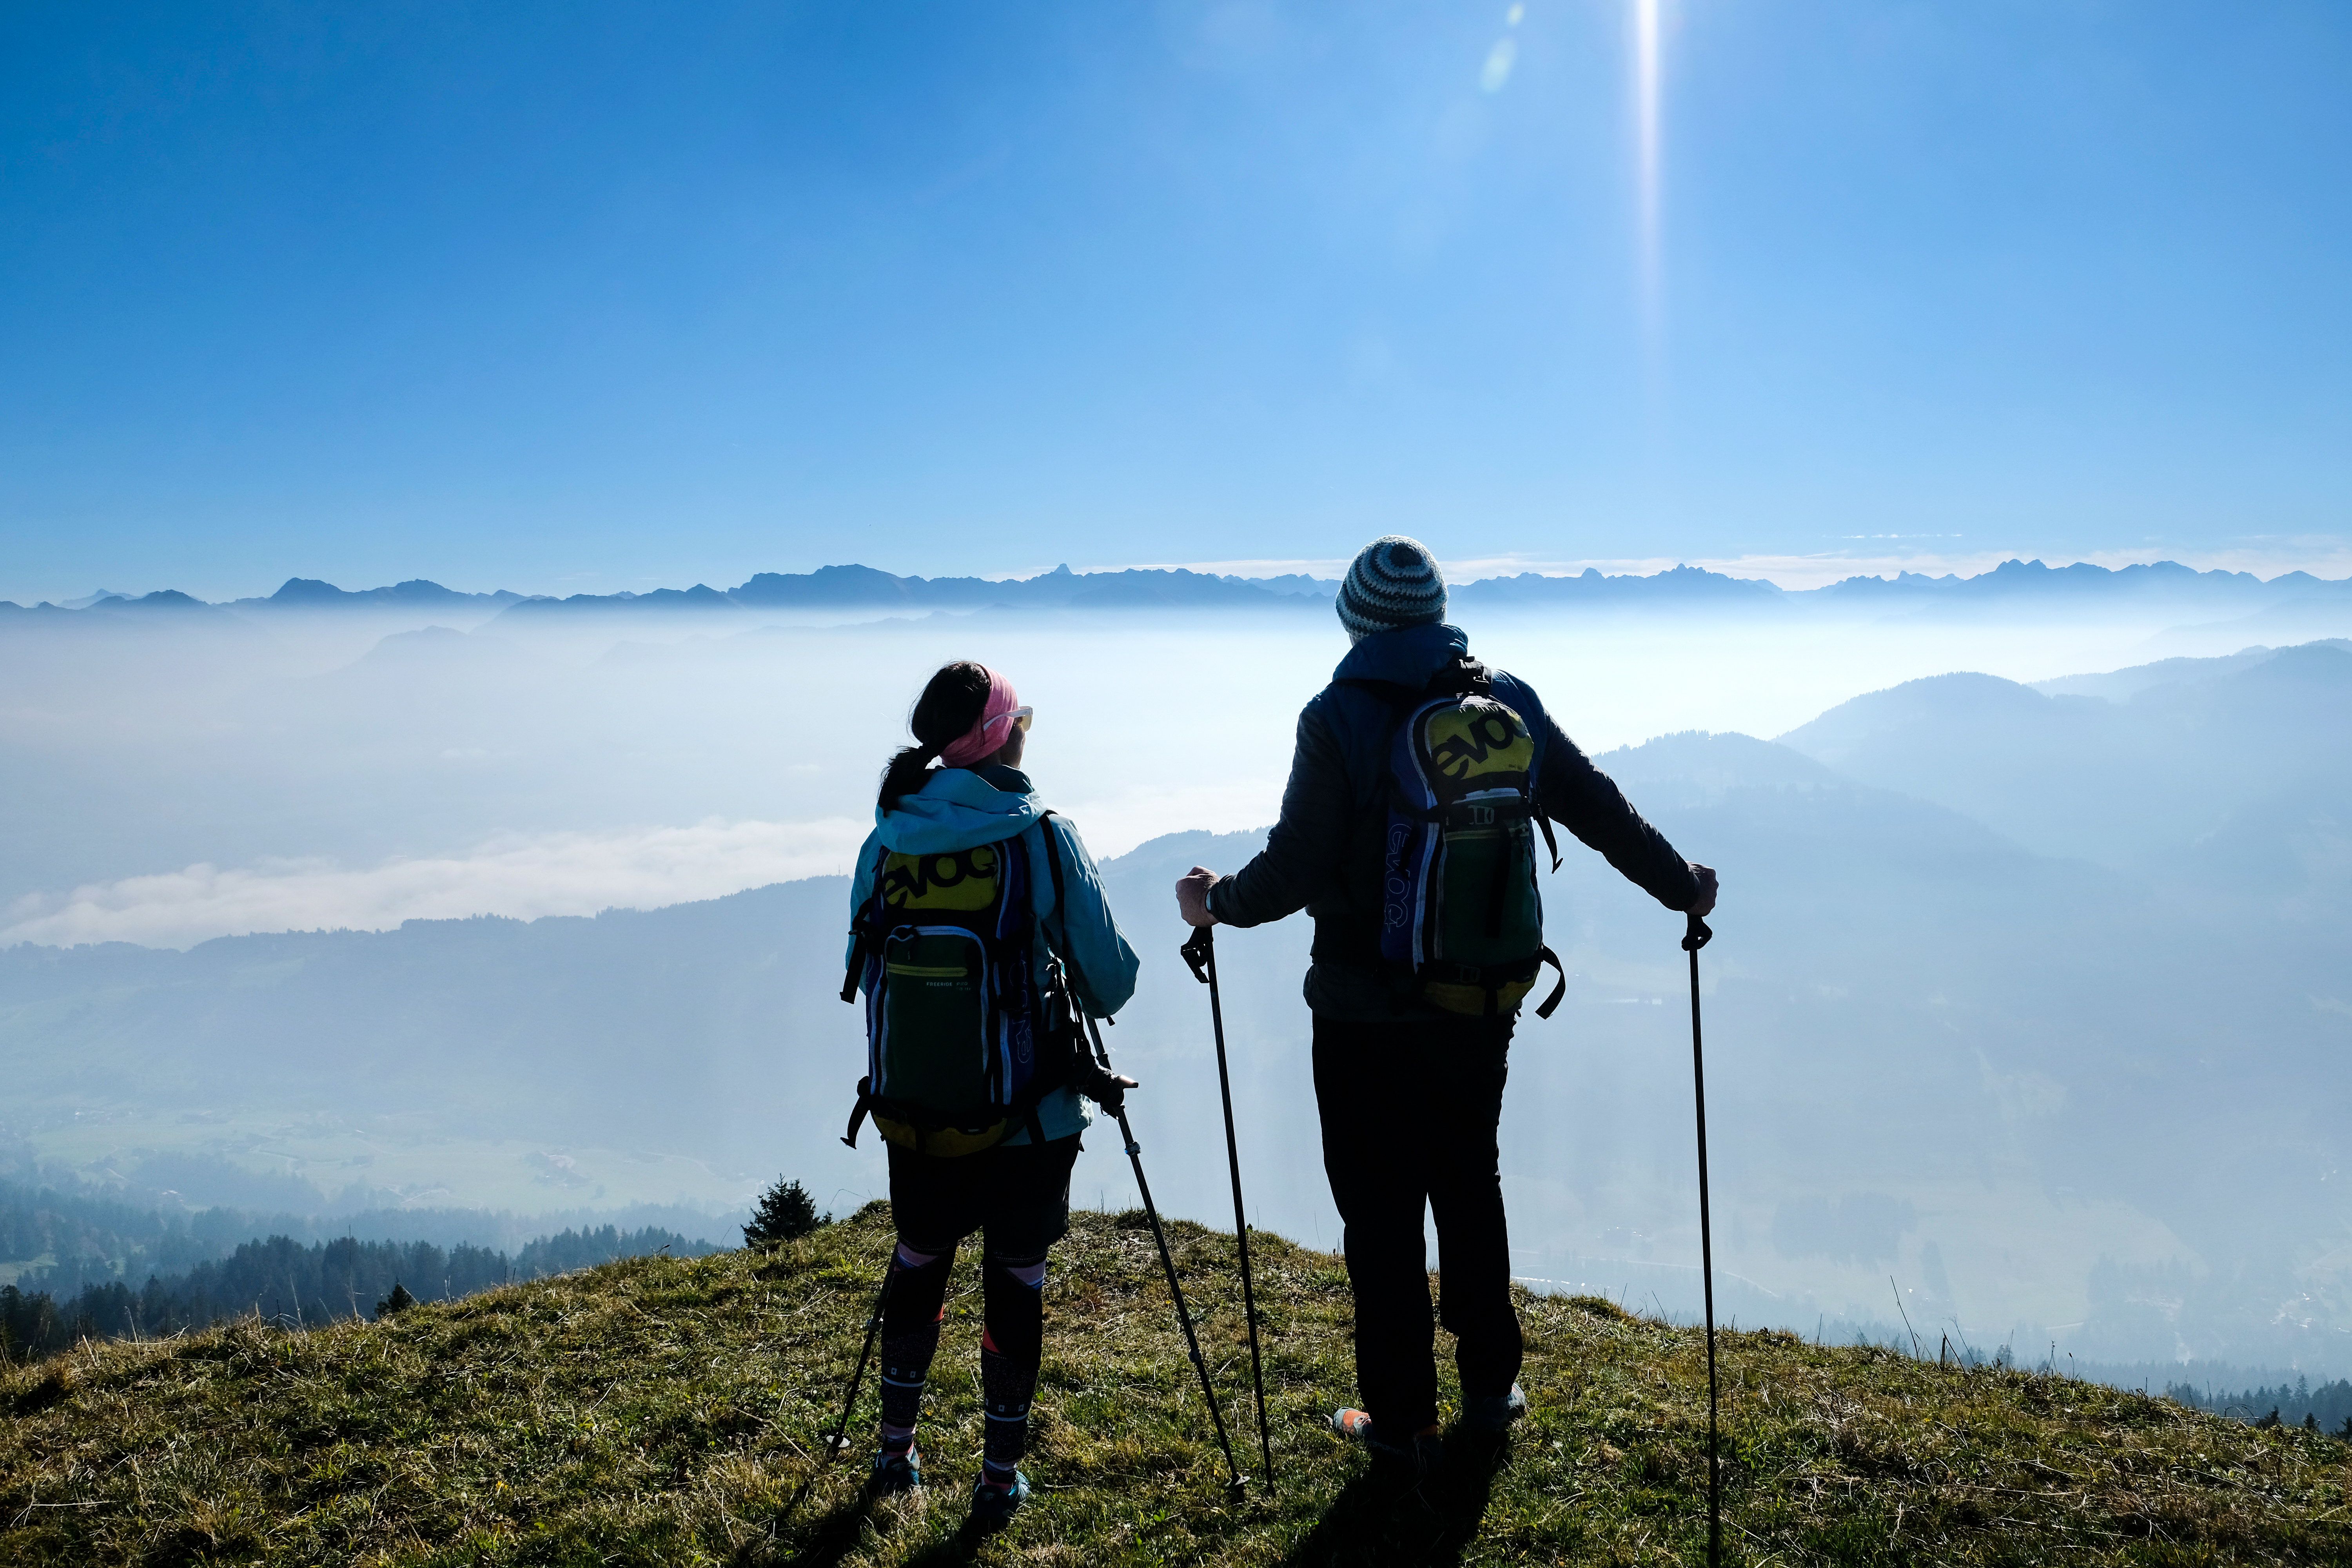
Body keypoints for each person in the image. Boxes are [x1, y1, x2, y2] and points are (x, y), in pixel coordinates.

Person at [1174, 536, 1717, 1483]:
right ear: (1436, 613)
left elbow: (1297, 864)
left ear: (1357, 619)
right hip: (1478, 998)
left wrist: (1213, 901)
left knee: (1379, 1210)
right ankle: (1489, 1388)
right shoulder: (1507, 700)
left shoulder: (1337, 714)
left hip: (1360, 1008)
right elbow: (1596, 807)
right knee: (1468, 1176)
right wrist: (1683, 886)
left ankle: (1400, 1421)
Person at [842, 661, 1139, 1529]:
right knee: (1017, 1277)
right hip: (1028, 1114)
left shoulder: (889, 835)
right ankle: (999, 1476)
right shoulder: (1042, 836)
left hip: (916, 1107)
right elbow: (1110, 982)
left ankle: (896, 1451)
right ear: (1005, 736)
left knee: (920, 1259)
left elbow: (862, 970)